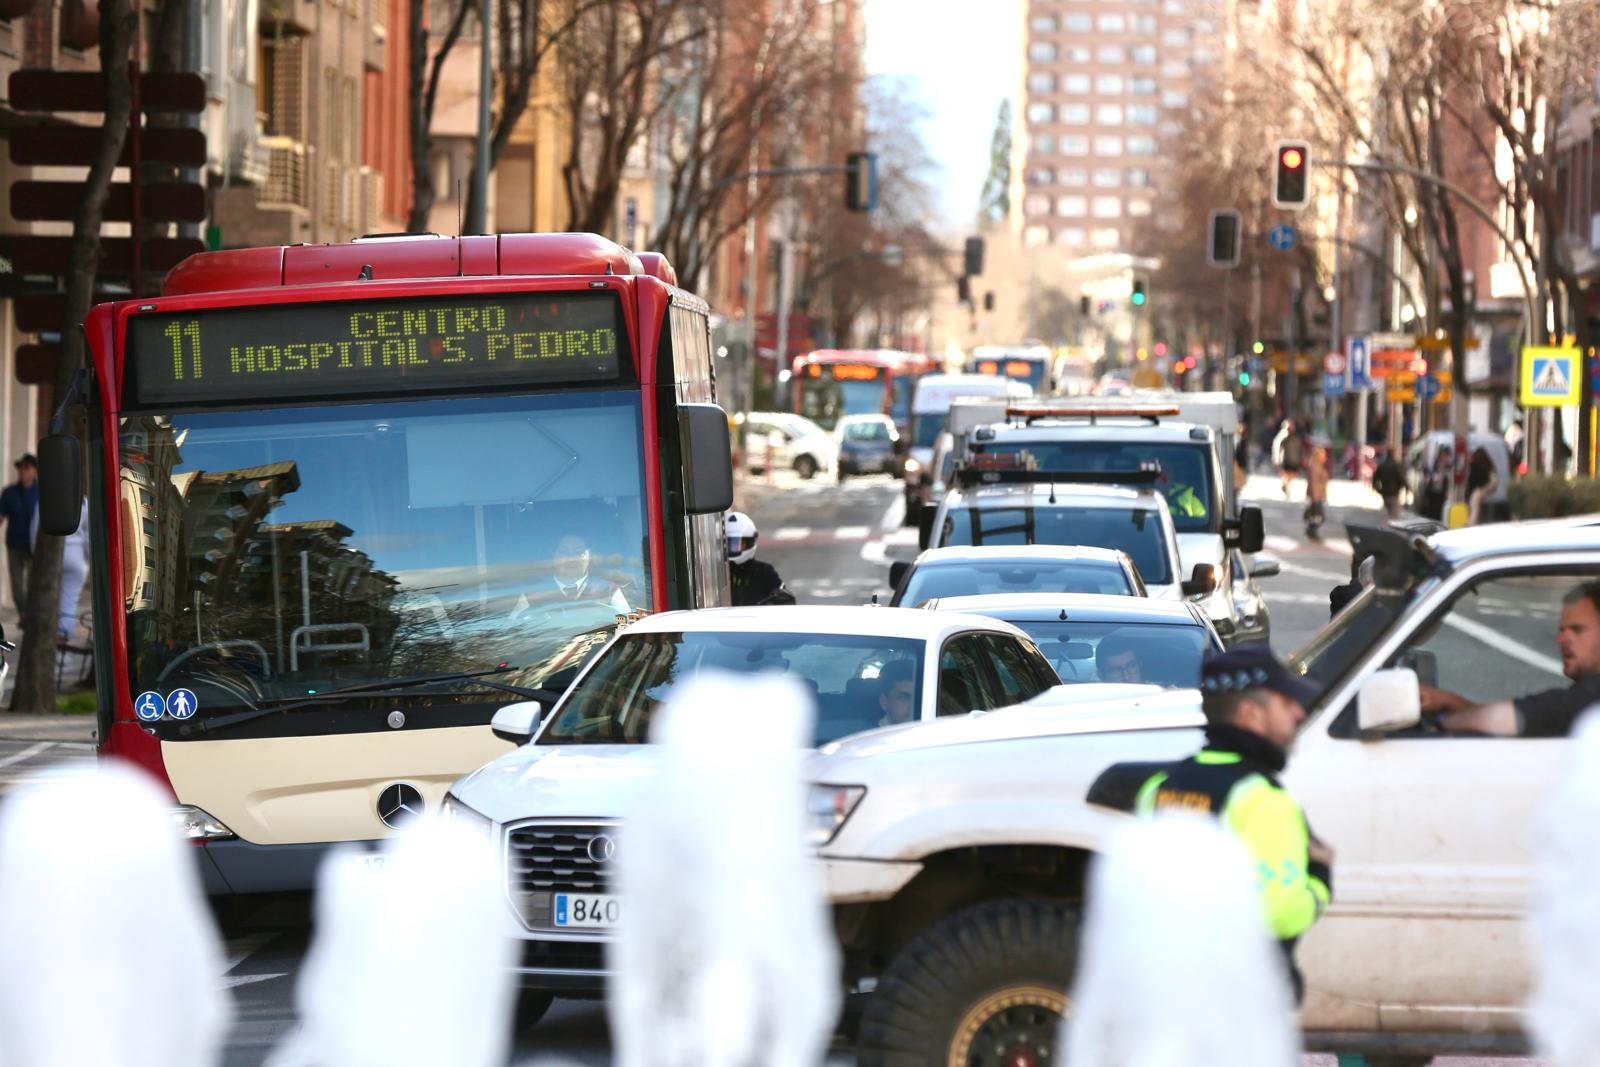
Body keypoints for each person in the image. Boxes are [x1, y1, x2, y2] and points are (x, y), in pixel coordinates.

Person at [1134, 644, 1334, 1001]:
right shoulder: (1263, 800)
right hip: (1240, 1000)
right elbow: (1280, 914)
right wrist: (1320, 877)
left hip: (1166, 991)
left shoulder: (1159, 788)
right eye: (1286, 703)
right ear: (1251, 716)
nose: (1298, 714)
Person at [1420, 582, 1600, 738]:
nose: (1561, 639)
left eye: (1577, 630)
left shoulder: (1586, 700)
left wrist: (1439, 726)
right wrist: (1449, 701)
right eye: (1562, 630)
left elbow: (1508, 718)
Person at [509, 532, 630, 622]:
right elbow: (513, 630)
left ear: (590, 556)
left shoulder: (609, 590)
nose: (571, 558)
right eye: (564, 552)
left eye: (578, 552)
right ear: (554, 556)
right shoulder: (532, 593)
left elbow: (627, 627)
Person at [726, 511, 794, 606]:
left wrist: (781, 597)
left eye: (737, 544)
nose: (731, 548)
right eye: (728, 544)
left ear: (750, 542)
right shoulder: (717, 574)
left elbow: (784, 598)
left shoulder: (765, 572)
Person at [0, 454, 38, 617]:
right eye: (20, 468)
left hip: (34, 546)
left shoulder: (42, 493)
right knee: (16, 585)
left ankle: (30, 615)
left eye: (26, 468)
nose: (22, 471)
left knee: (32, 583)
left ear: (34, 471)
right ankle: (24, 614)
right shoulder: (9, 492)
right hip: (14, 544)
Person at [876, 660, 917, 727]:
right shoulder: (872, 736)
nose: (913, 706)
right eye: (904, 697)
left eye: (919, 698)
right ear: (884, 702)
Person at [1272, 418, 1305, 499]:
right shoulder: (1283, 437)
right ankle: (1285, 487)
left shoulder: (1297, 436)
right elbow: (1277, 448)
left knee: (1292, 476)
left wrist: (1302, 458)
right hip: (1287, 460)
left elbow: (1301, 448)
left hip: (1295, 461)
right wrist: (1277, 460)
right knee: (1287, 476)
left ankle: (1285, 486)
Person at [1466, 447, 1498, 525]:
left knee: (1474, 500)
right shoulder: (1487, 464)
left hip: (1485, 486)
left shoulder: (1475, 465)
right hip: (1490, 485)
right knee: (1476, 501)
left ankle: (1471, 523)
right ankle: (1473, 521)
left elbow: (1474, 481)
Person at [1418, 446, 1451, 521]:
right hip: (1433, 491)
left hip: (1440, 492)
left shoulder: (1447, 465)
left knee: (1438, 510)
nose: (1445, 457)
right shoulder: (1436, 463)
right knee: (1432, 510)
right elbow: (1431, 475)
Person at [1371, 447, 1404, 520]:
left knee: (1388, 514)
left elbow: (1375, 479)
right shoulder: (1396, 465)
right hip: (1394, 493)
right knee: (1394, 516)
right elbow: (1401, 479)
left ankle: (1386, 527)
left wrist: (1378, 490)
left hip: (1385, 493)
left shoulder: (1382, 465)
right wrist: (1405, 488)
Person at [1303, 443, 1328, 538]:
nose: (1325, 456)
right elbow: (1313, 483)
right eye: (1323, 454)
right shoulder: (1315, 467)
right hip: (1316, 496)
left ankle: (1311, 529)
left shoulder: (1319, 466)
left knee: (1316, 516)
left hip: (1319, 496)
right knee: (1319, 516)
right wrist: (1314, 497)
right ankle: (1311, 530)